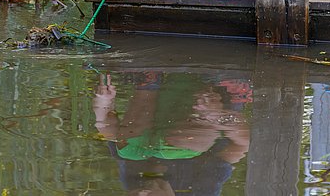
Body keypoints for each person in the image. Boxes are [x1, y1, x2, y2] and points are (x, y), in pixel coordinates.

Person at [93, 72, 251, 195]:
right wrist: (220, 116)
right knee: (178, 144)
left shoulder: (131, 178)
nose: (141, 193)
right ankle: (225, 86)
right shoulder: (200, 191)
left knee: (129, 149)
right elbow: (242, 144)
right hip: (216, 99)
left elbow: (108, 131)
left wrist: (103, 103)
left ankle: (148, 80)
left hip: (167, 92)